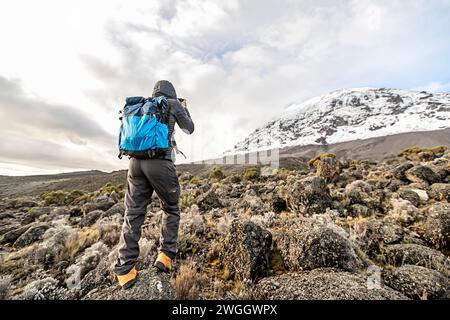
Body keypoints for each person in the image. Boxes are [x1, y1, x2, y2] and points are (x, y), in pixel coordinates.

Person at [114, 80, 194, 289]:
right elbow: (189, 128)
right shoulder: (173, 104)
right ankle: (165, 257)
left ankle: (125, 270)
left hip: (134, 164)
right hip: (159, 163)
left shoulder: (143, 107)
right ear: (173, 93)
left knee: (132, 214)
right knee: (171, 208)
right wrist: (184, 108)